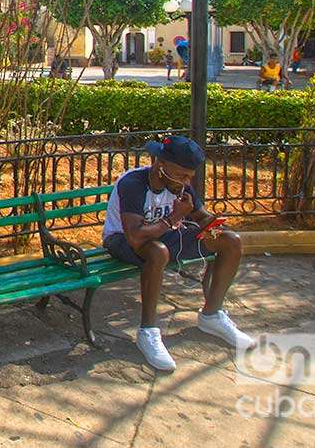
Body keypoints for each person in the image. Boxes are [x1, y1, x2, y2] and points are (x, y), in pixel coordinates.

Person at [102, 135, 254, 371]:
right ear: (161, 166)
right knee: (158, 252)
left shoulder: (180, 186)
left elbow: (199, 215)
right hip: (122, 240)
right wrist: (174, 217)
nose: (186, 181)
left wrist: (212, 224)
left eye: (190, 176)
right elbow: (135, 236)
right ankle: (148, 332)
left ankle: (212, 316)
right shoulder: (133, 183)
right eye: (182, 175)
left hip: (163, 236)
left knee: (230, 241)